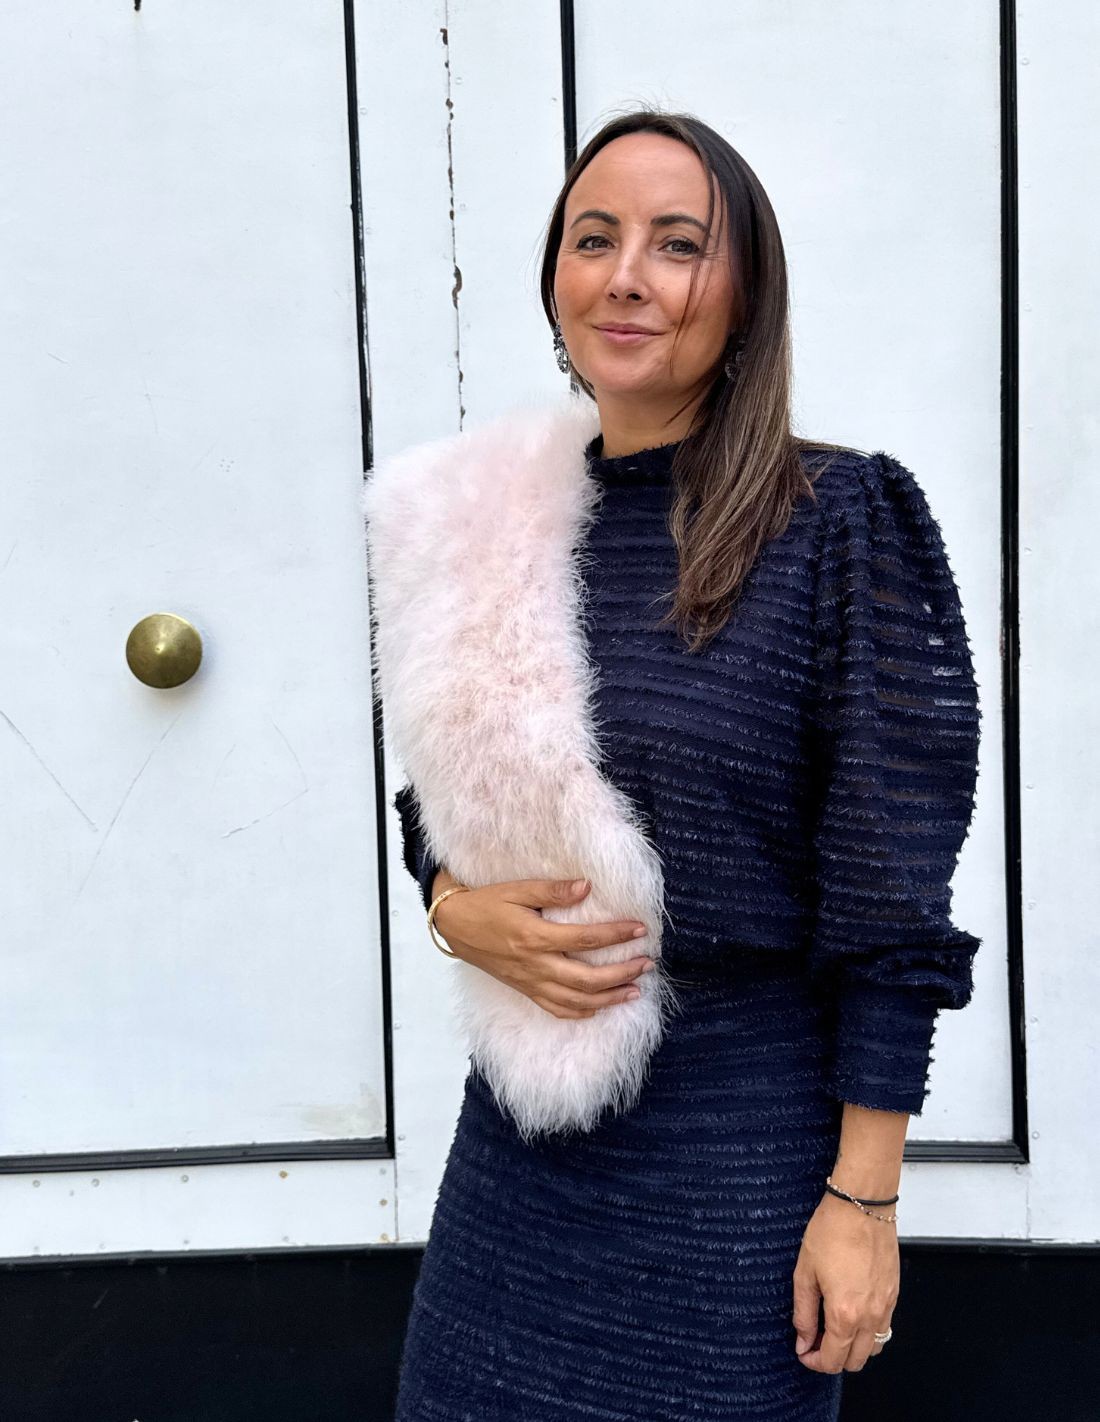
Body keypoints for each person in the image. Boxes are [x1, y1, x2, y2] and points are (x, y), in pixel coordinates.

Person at [373, 109, 982, 1421]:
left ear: (746, 290)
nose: (627, 276)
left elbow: (892, 900)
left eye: (679, 244)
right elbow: (439, 795)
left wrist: (864, 1200)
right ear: (556, 279)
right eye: (594, 240)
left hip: (740, 1166)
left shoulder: (838, 522)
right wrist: (451, 907)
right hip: (521, 1163)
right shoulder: (486, 518)